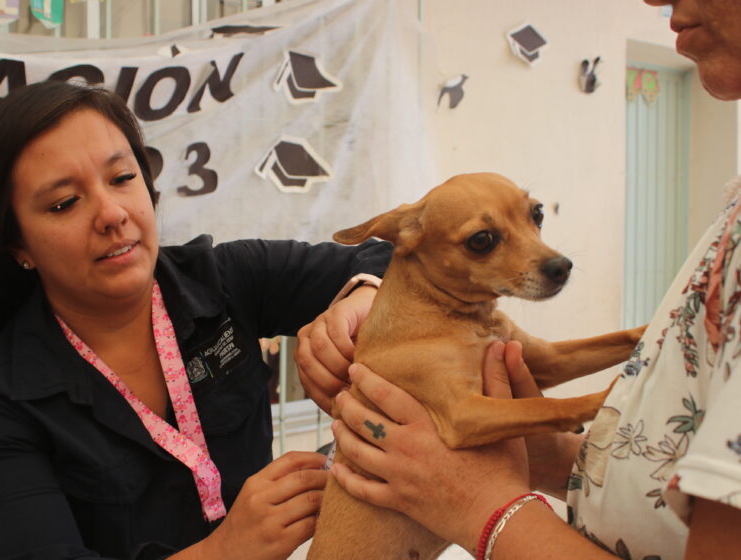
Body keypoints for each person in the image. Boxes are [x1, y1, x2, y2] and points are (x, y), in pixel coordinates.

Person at [297, 0, 741, 558]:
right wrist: (596, 408)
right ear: (406, 240)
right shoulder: (417, 341)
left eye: (534, 217)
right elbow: (462, 423)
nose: (542, 254)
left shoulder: (477, 313)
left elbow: (546, 364)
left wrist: (646, 340)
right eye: (484, 242)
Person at [0, 80, 391, 560]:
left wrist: (363, 297)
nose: (113, 214)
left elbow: (410, 263)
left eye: (121, 178)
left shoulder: (226, 279)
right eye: (64, 203)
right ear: (18, 247)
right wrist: (225, 552)